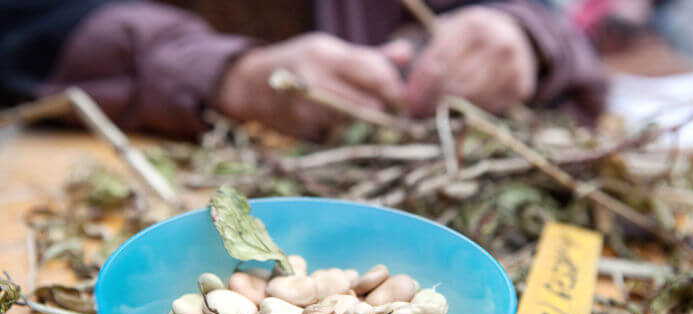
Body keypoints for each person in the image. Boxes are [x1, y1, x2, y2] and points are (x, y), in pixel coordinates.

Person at [0, 0, 606, 139]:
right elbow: (23, 29)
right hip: (156, 179)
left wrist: (522, 35)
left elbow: (576, 59)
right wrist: (228, 76)